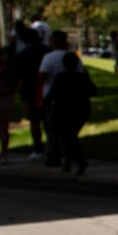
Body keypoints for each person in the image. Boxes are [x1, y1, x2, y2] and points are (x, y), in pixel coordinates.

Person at [44, 50, 95, 178]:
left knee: (68, 137)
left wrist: (47, 104)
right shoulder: (81, 77)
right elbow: (93, 91)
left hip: (65, 111)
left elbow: (51, 95)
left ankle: (79, 160)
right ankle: (69, 162)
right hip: (80, 110)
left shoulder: (62, 77)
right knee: (70, 136)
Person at [11, 24, 49, 160]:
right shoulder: (47, 51)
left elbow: (17, 75)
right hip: (46, 89)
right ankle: (51, 146)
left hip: (29, 89)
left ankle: (38, 148)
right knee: (47, 120)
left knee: (34, 121)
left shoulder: (23, 55)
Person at [37, 30, 73, 167]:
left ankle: (55, 154)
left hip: (54, 98)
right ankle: (68, 153)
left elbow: (42, 76)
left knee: (52, 127)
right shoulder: (71, 57)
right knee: (67, 128)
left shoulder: (49, 58)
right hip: (70, 98)